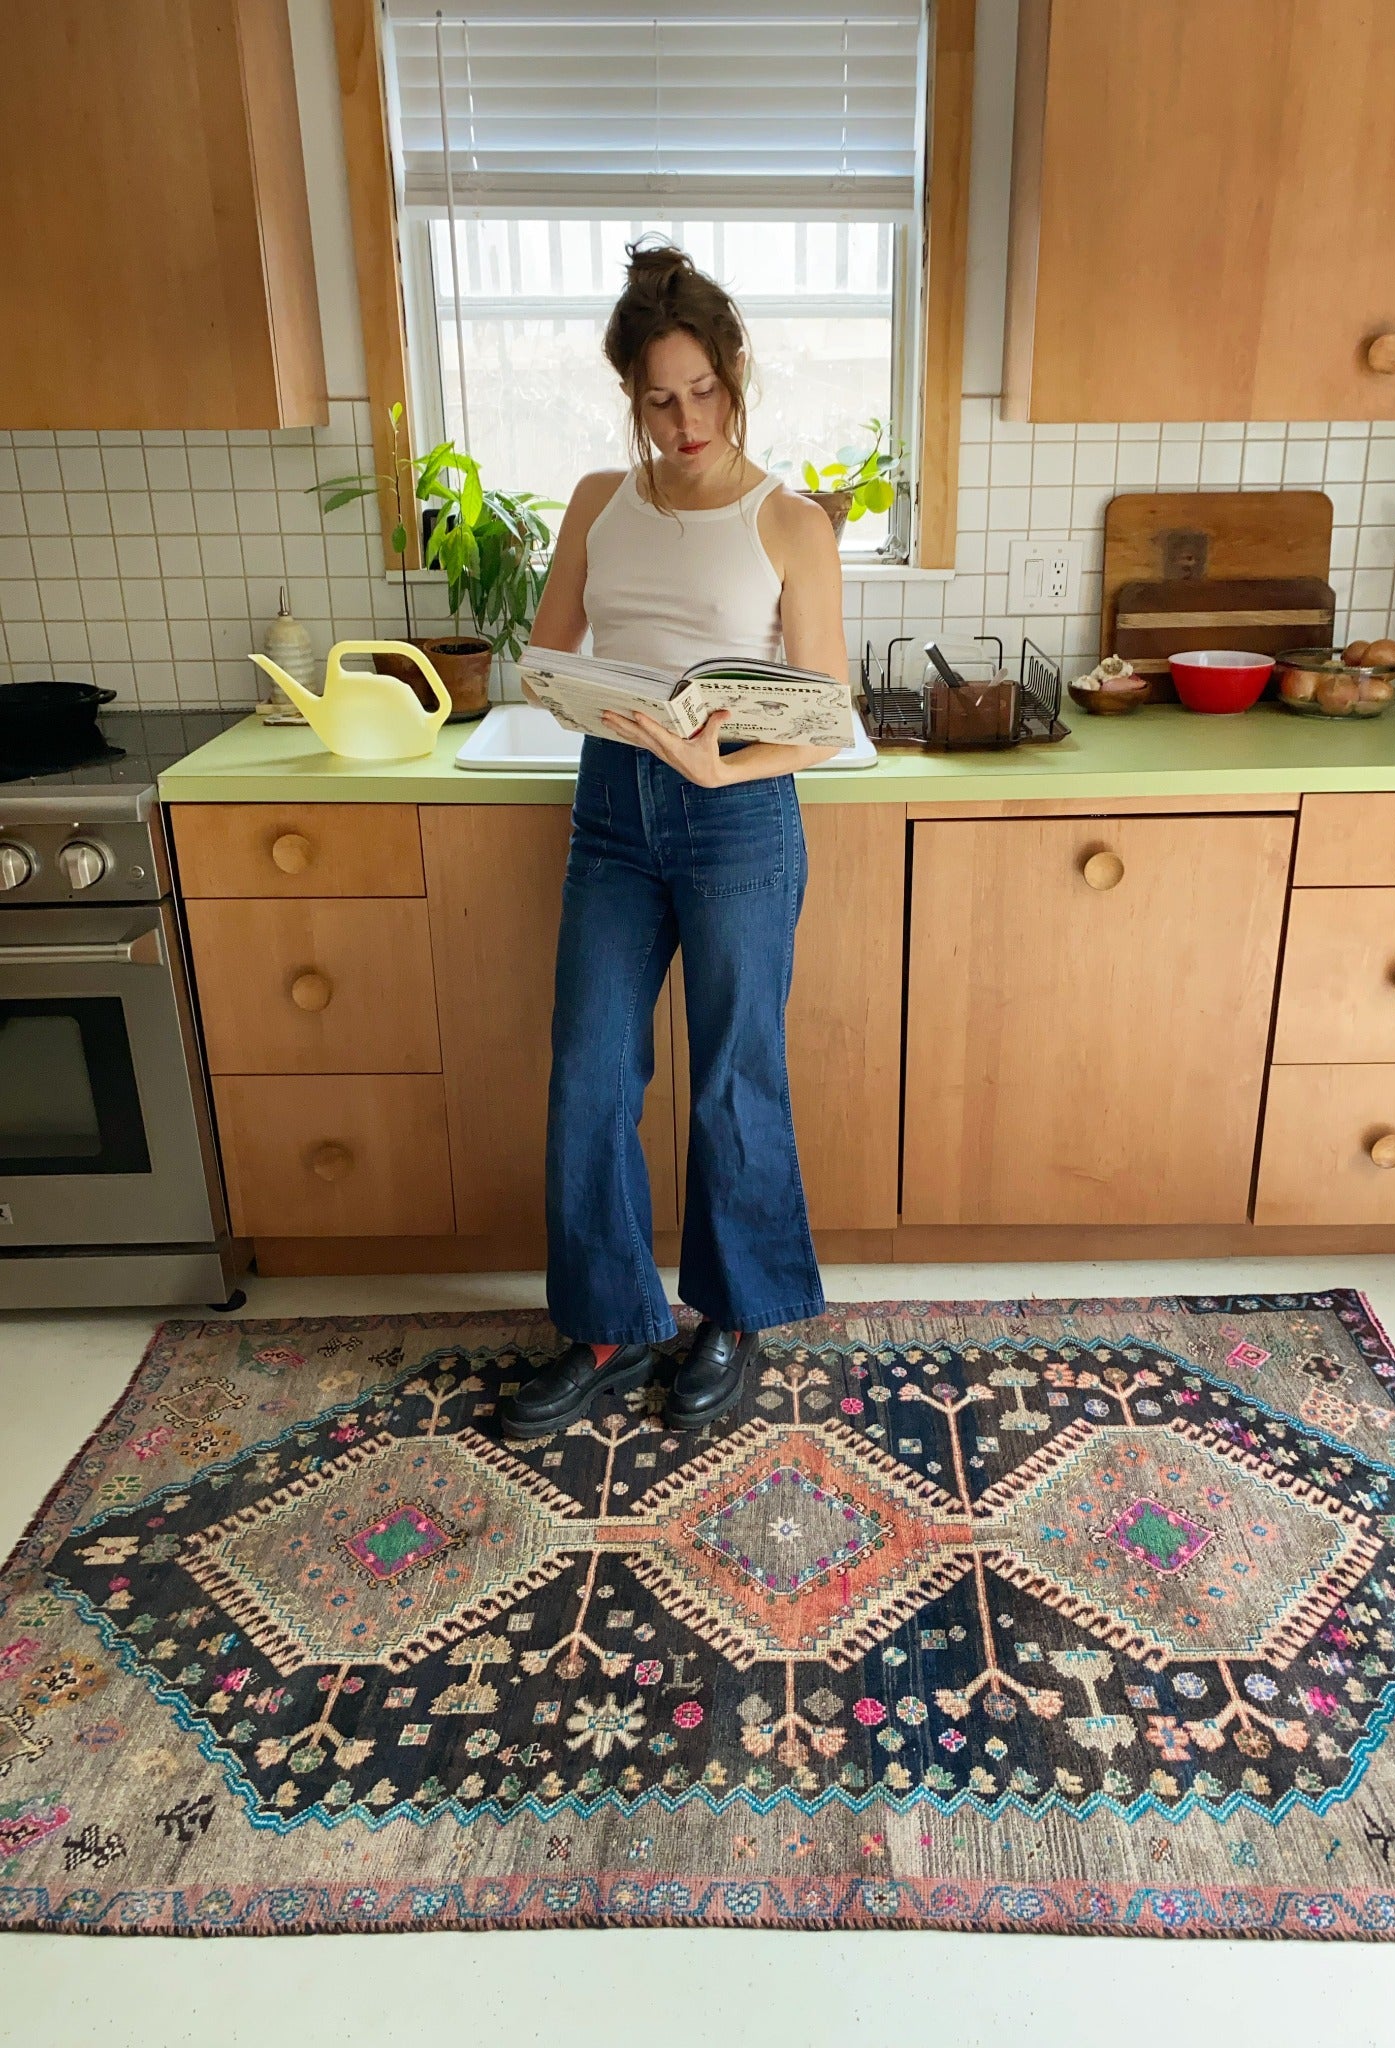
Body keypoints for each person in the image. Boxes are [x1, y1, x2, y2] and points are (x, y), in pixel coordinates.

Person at [498, 240, 848, 1443]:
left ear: (735, 374)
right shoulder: (602, 501)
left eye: (704, 390)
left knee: (732, 1081)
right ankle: (606, 1324)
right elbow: (544, 660)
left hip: (736, 809)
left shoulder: (790, 521)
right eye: (660, 397)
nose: (685, 419)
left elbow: (826, 715)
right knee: (591, 1069)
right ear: (630, 395)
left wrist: (715, 756)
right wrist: (589, 697)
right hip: (612, 806)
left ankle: (731, 1317)